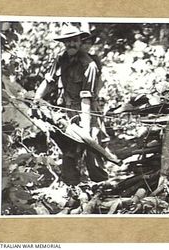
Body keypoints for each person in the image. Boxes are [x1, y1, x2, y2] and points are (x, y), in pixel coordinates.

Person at [34, 24, 108, 185]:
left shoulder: (89, 65)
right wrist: (36, 98)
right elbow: (49, 81)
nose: (71, 45)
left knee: (92, 151)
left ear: (80, 41)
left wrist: (86, 130)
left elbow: (86, 99)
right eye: (67, 42)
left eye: (74, 41)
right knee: (69, 151)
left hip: (87, 112)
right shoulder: (61, 58)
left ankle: (102, 187)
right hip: (66, 112)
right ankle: (71, 188)